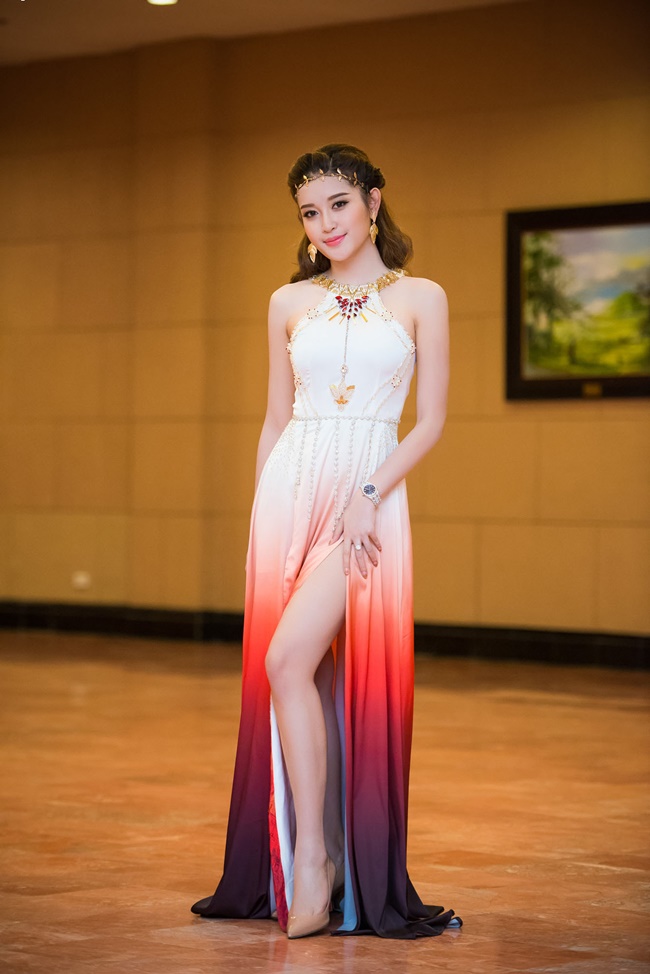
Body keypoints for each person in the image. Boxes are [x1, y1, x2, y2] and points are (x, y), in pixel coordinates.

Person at [191, 143, 460, 939]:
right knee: (307, 676)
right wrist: (259, 513)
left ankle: (316, 858)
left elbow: (432, 422)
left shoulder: (422, 297)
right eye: (311, 211)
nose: (326, 222)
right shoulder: (287, 302)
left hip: (366, 505)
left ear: (373, 201)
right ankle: (324, 854)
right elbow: (277, 418)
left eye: (339, 203)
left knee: (287, 660)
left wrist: (370, 494)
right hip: (290, 493)